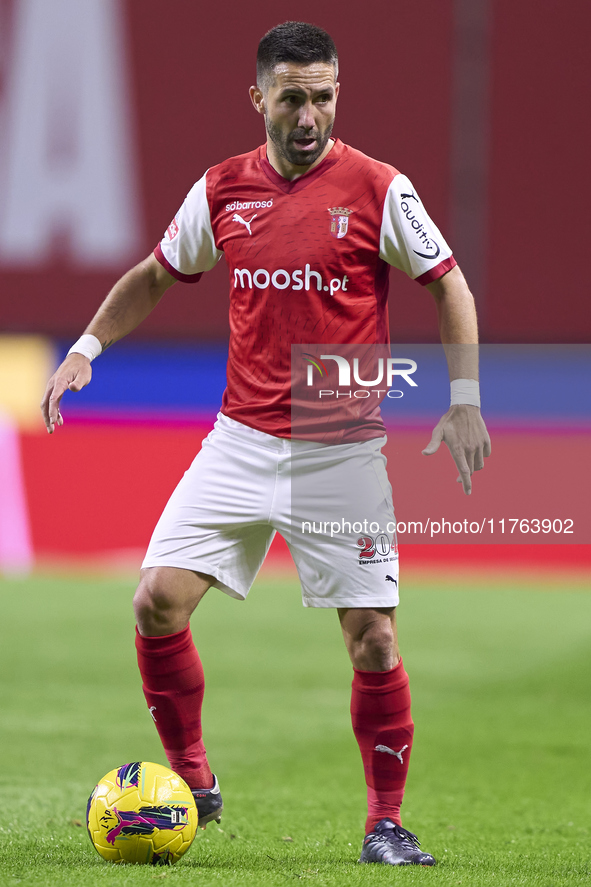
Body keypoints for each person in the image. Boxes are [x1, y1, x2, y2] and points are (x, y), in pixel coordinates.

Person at [41, 21, 490, 867]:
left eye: (323, 95)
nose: (311, 113)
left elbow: (449, 284)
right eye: (293, 97)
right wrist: (84, 351)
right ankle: (195, 782)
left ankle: (384, 822)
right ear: (259, 99)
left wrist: (463, 399)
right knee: (154, 601)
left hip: (338, 442)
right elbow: (152, 276)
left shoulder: (378, 188)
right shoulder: (221, 192)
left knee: (375, 640)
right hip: (239, 439)